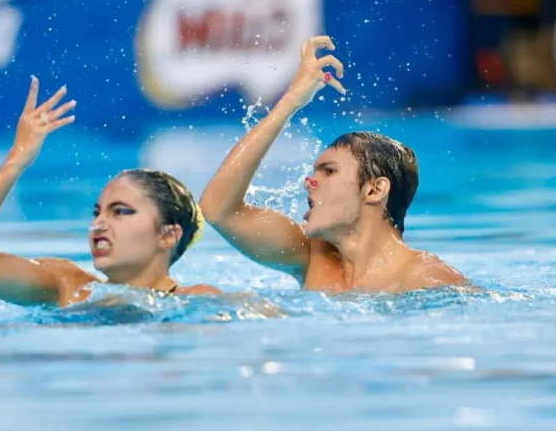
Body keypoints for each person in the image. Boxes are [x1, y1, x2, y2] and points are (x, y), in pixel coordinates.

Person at [199, 36, 467, 293]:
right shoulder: (311, 255)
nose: (309, 181)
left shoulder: (425, 278)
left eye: (329, 171)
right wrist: (289, 102)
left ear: (374, 190)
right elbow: (217, 210)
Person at [0, 77, 219, 308]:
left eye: (120, 211)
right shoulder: (66, 285)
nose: (98, 224)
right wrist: (16, 161)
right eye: (97, 213)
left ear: (168, 234)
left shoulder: (195, 301)